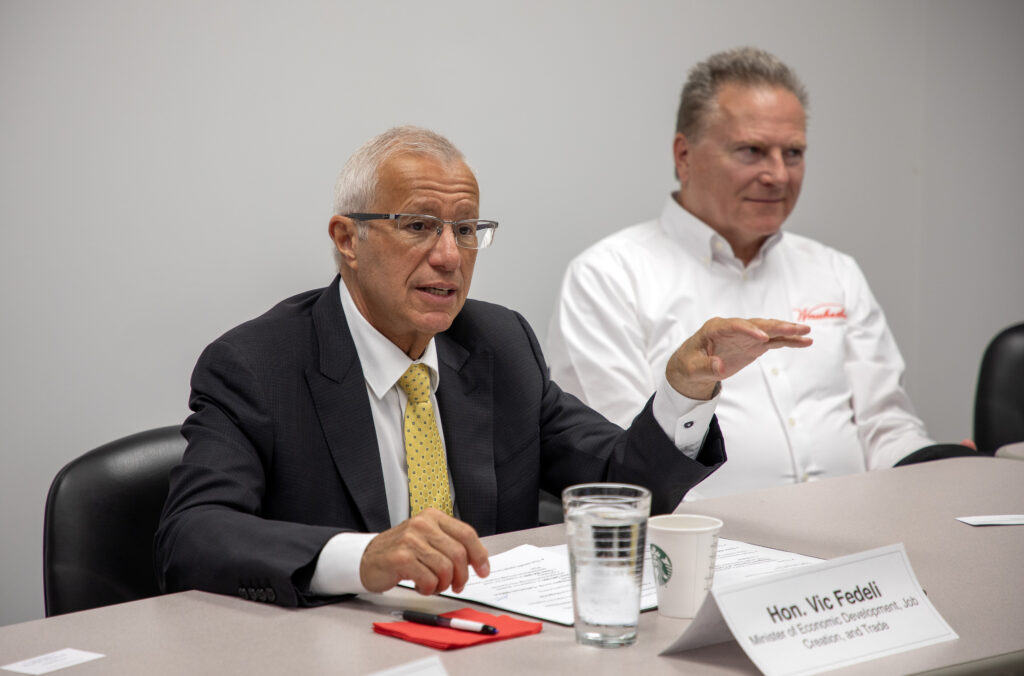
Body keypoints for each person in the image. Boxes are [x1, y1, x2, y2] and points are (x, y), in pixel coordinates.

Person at [155, 126, 811, 607]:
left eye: (467, 230)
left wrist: (684, 390)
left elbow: (619, 487)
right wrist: (364, 557)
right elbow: (193, 535)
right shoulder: (256, 366)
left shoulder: (497, 344)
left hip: (490, 646)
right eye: (419, 226)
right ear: (347, 240)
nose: (449, 255)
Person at [547, 47, 973, 501]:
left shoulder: (834, 270)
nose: (778, 175)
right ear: (684, 155)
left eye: (793, 153)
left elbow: (885, 428)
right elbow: (622, 466)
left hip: (855, 541)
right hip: (706, 553)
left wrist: (937, 465)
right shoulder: (609, 276)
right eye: (752, 150)